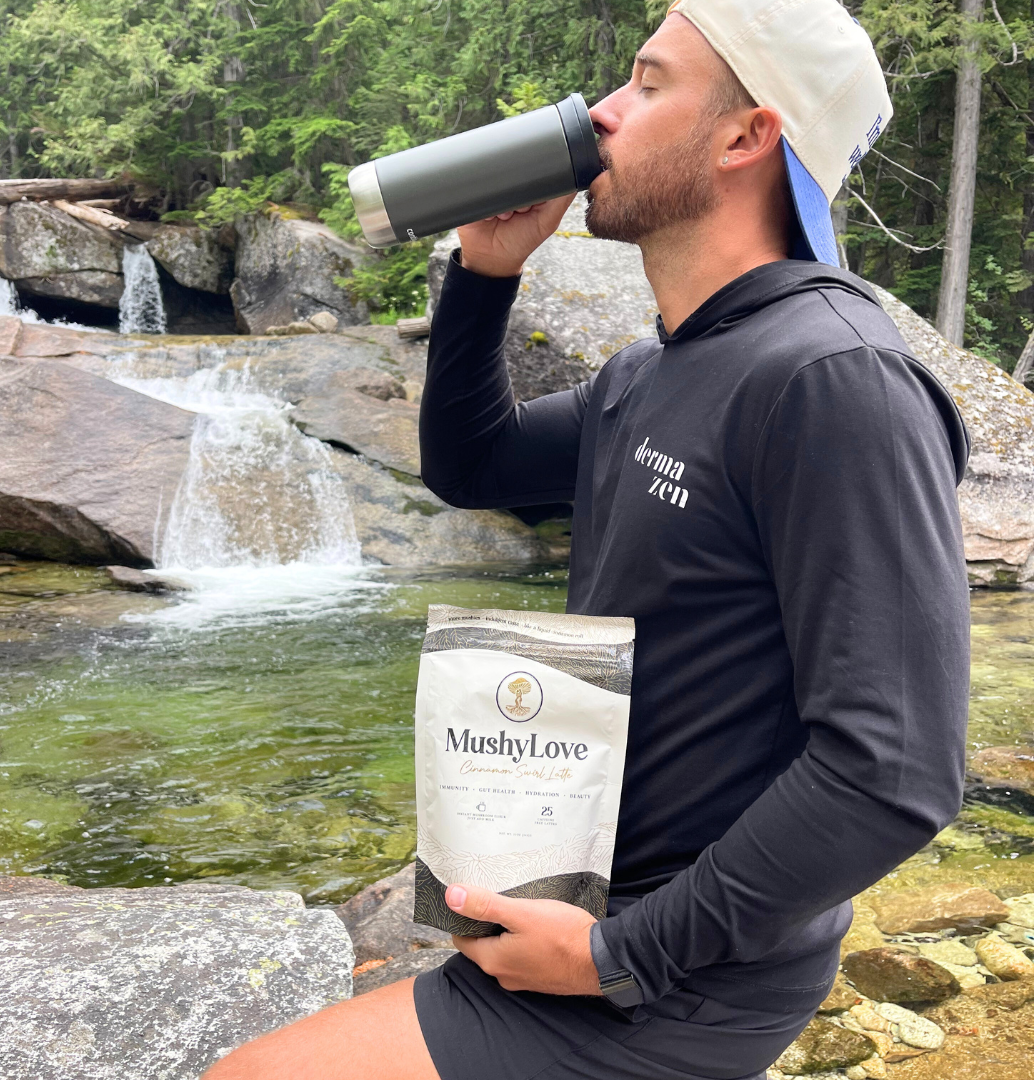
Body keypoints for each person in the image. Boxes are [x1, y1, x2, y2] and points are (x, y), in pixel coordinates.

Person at [203, 1, 970, 1078]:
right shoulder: (655, 370)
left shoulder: (833, 378)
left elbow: (894, 769)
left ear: (746, 135)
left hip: (677, 982)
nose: (601, 112)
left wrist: (620, 958)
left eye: (649, 84)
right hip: (592, 922)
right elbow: (475, 466)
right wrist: (486, 272)